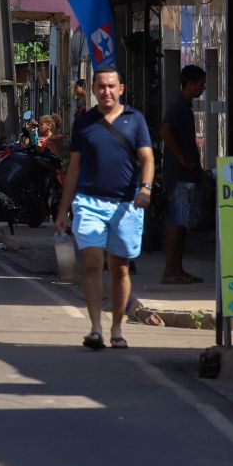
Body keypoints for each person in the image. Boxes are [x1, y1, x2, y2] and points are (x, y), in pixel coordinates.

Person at [54, 66, 154, 351]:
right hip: (89, 203)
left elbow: (147, 158)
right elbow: (74, 168)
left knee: (120, 268)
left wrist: (145, 189)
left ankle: (117, 329)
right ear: (93, 90)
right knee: (92, 263)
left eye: (111, 86)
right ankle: (96, 328)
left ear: (121, 88)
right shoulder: (84, 123)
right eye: (101, 86)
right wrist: (63, 210)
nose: (106, 91)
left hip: (126, 204)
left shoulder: (135, 120)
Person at [161, 65, 207, 285]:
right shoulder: (177, 106)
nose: (203, 88)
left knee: (183, 226)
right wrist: (181, 158)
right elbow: (165, 131)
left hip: (188, 174)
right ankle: (169, 270)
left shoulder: (185, 107)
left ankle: (178, 269)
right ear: (189, 84)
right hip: (179, 175)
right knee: (177, 223)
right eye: (200, 84)